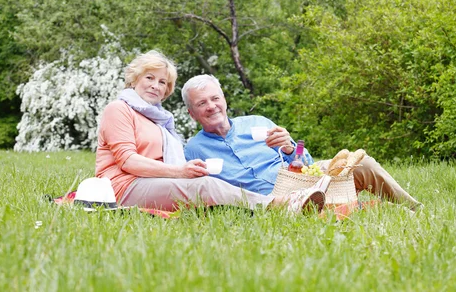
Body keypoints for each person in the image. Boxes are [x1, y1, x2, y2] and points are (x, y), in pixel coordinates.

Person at [95, 50, 328, 214]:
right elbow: (127, 161)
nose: (156, 86)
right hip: (123, 187)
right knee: (206, 186)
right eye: (149, 78)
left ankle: (294, 200)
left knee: (341, 165)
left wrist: (288, 148)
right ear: (134, 79)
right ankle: (279, 206)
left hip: (151, 183)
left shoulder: (157, 120)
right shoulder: (119, 109)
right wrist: (179, 172)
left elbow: (304, 161)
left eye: (163, 82)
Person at [182, 74, 423, 212]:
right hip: (272, 200)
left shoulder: (257, 121)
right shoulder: (193, 149)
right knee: (331, 206)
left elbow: (304, 160)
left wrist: (289, 147)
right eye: (202, 103)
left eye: (215, 98)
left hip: (301, 176)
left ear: (224, 100)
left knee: (362, 164)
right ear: (192, 113)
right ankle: (364, 208)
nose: (212, 106)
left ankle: (413, 207)